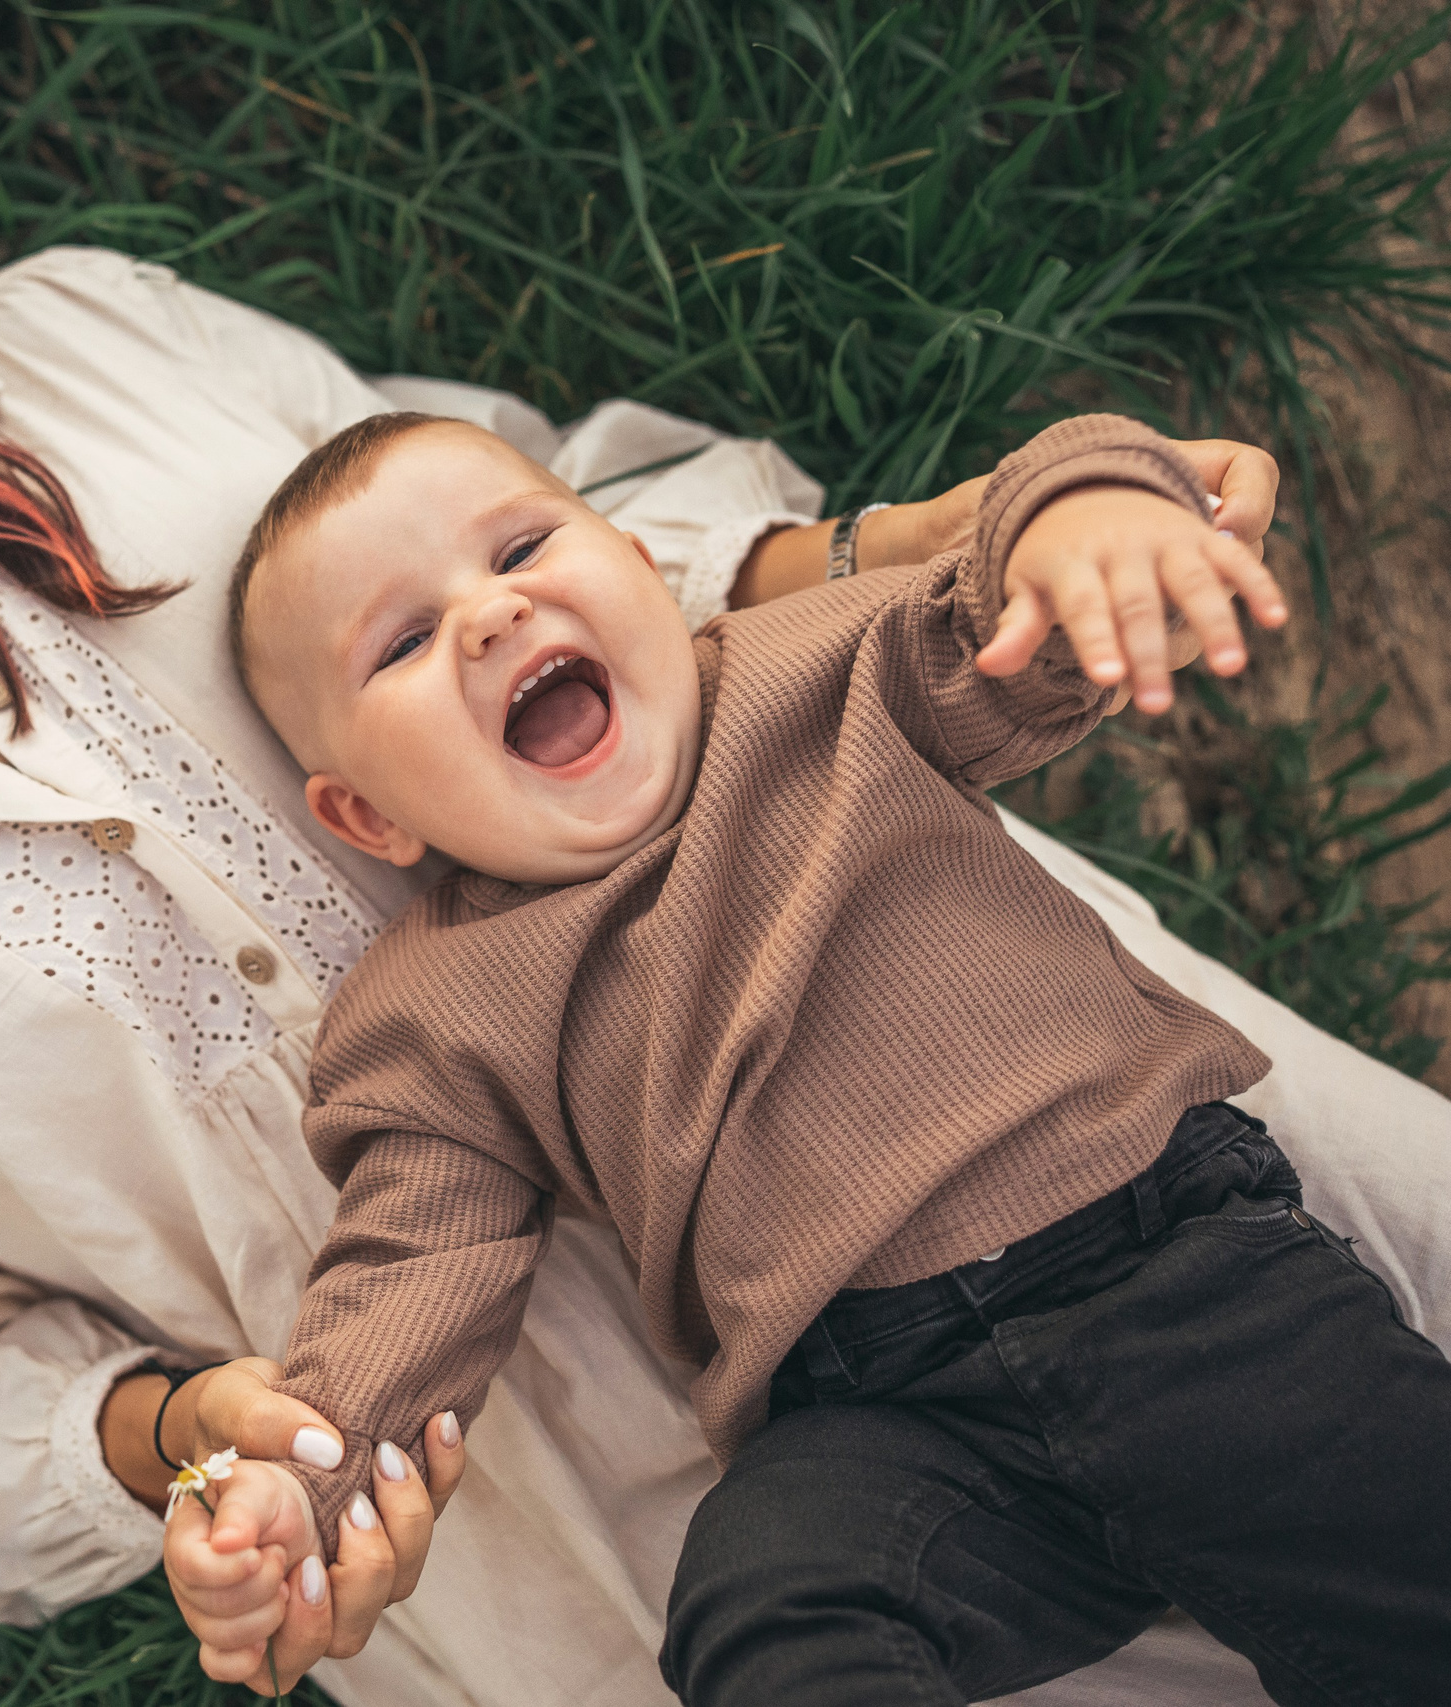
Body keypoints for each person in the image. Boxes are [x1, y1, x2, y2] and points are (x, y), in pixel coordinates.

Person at [0, 128, 1451, 1707]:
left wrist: (1007, 527)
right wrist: (195, 1442)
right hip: (605, 1531)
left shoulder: (80, 364)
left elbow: (575, 537)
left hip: (1007, 1118)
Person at [196, 410, 1451, 1703]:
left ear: (637, 567)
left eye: (523, 549)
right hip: (888, 1428)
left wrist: (1091, 512)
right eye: (403, 641)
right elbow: (409, 1273)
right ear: (366, 816)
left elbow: (1005, 600)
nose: (491, 615)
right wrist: (305, 1481)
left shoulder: (820, 673)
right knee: (757, 1615)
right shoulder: (429, 1013)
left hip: (1177, 1276)